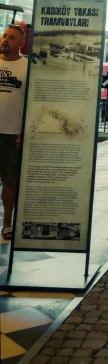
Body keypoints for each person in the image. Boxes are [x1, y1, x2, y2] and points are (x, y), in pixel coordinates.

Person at [0, 24, 28, 240]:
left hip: (12, 134)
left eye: (11, 38)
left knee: (10, 181)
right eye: (4, 36)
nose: (5, 40)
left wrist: (26, 129)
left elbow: (33, 101)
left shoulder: (28, 67)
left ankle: (7, 223)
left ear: (21, 43)